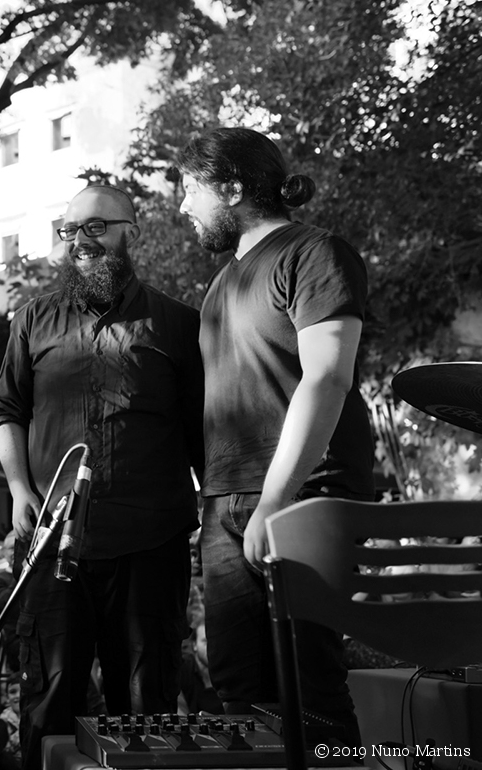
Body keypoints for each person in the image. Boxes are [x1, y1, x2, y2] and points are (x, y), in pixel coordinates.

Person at [0, 184, 204, 766]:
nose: (80, 242)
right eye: (69, 231)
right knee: (47, 703)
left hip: (149, 545)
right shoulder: (32, 319)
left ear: (130, 230)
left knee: (145, 708)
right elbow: (5, 412)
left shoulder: (180, 324)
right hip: (49, 542)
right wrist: (16, 489)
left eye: (95, 228)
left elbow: (202, 433)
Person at [177, 127, 370, 743]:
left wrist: (274, 501)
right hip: (225, 503)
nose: (183, 206)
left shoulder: (315, 253)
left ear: (232, 188)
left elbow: (328, 378)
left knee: (310, 687)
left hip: (303, 493)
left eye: (191, 189)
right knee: (239, 693)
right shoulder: (219, 285)